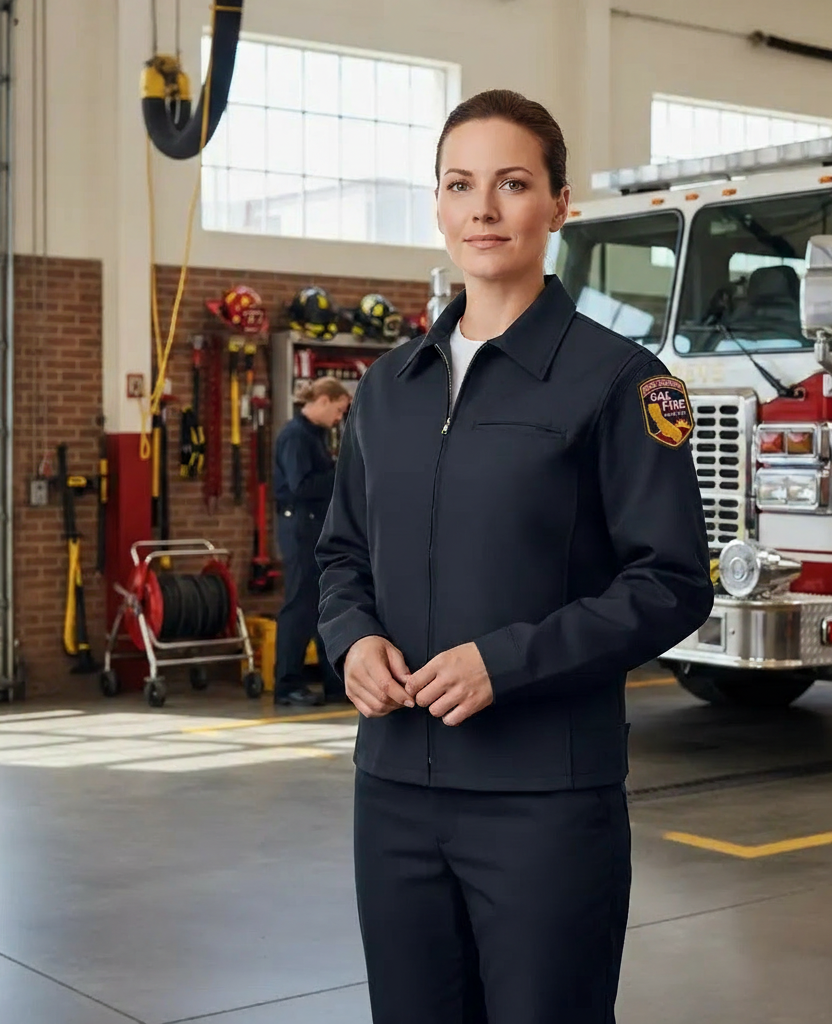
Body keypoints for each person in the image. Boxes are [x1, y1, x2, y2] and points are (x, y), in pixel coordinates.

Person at [317, 89, 714, 1023]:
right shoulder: (386, 391)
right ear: (439, 206)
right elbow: (342, 554)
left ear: (559, 205)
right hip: (394, 795)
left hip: (543, 802)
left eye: (512, 183)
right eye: (461, 185)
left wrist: (508, 662)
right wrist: (351, 639)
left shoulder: (622, 382)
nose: (483, 208)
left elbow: (671, 583)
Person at [273, 376, 351, 707]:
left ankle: (334, 683)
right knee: (300, 606)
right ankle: (287, 683)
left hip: (315, 527)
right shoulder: (295, 437)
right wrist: (343, 472)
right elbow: (301, 486)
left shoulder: (315, 436)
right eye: (337, 410)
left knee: (324, 604)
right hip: (300, 529)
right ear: (321, 401)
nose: (338, 418)